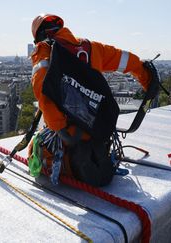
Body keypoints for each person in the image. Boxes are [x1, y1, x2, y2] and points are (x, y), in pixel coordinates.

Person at [29, 13, 155, 186]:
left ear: (38, 37)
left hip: (70, 137)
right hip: (97, 132)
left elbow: (44, 94)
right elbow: (125, 59)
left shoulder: (44, 50)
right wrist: (147, 78)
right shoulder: (90, 47)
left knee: (35, 150)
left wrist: (60, 130)